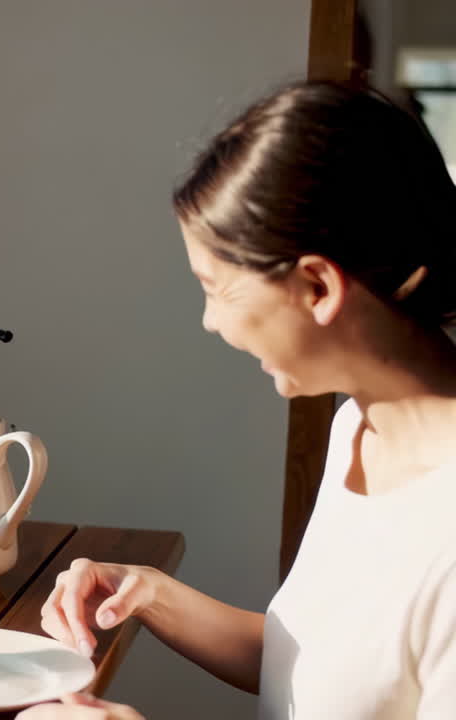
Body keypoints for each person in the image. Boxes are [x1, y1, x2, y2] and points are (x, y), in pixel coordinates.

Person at [28, 80, 456, 719]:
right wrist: (151, 595)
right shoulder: (359, 431)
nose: (210, 322)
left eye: (217, 289)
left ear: (316, 286)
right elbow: (316, 674)